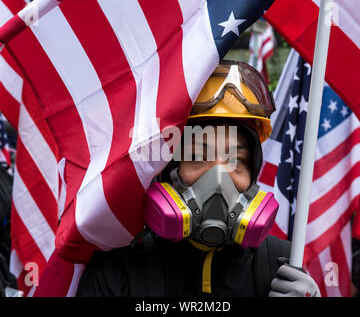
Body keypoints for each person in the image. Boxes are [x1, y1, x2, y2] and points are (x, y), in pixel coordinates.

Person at [76, 61, 320, 297]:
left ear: (253, 176)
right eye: (198, 157)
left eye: (235, 161)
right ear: (168, 170)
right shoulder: (119, 267)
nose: (218, 178)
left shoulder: (281, 268)